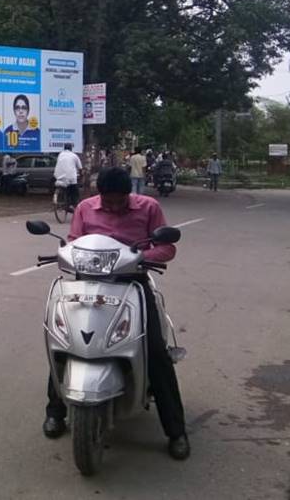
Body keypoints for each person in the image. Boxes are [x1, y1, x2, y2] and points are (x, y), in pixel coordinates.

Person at [42, 167, 190, 461]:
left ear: (128, 194)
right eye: (107, 201)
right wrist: (67, 254)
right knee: (67, 343)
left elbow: (166, 248)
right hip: (87, 283)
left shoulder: (149, 207)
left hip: (131, 283)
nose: (112, 206)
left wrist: (138, 257)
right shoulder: (85, 208)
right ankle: (55, 412)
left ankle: (176, 431)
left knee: (155, 353)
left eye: (118, 201)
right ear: (99, 195)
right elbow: (73, 240)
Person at [53, 143, 83, 209]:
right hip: (70, 177)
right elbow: (80, 168)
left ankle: (64, 201)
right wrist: (81, 176)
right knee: (75, 192)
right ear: (71, 148)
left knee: (67, 188)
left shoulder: (60, 154)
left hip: (58, 176)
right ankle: (75, 205)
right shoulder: (74, 156)